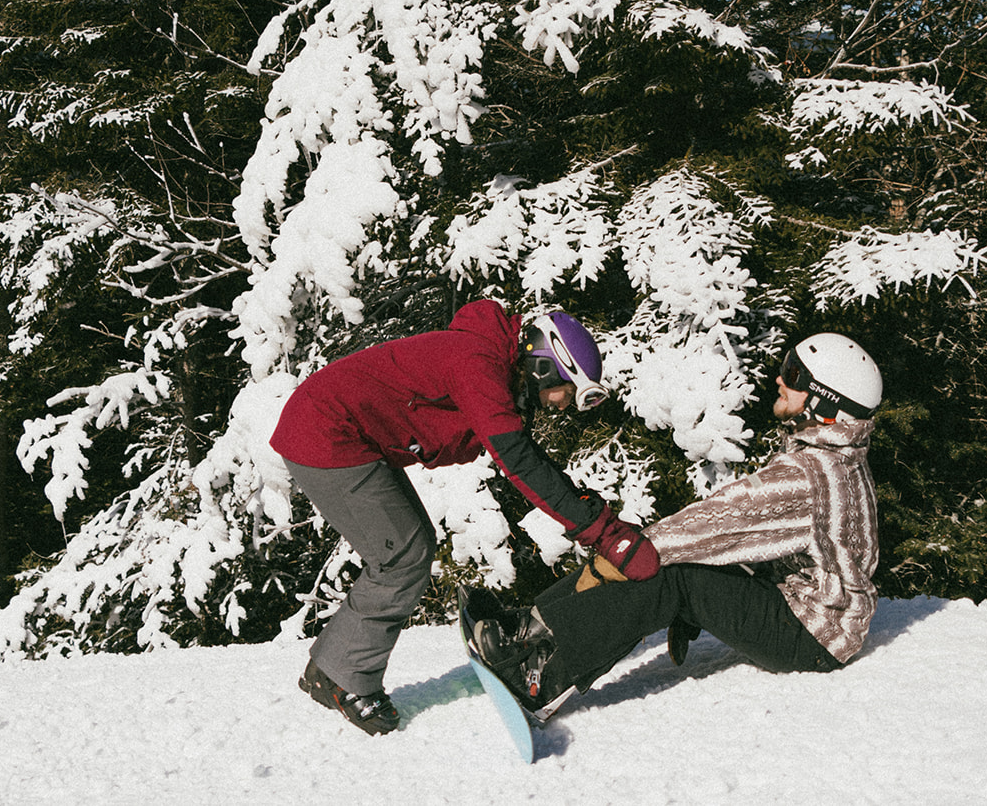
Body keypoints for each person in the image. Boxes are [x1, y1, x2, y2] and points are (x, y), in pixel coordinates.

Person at [273, 298, 659, 735]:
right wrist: (604, 534)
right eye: (565, 392)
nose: (560, 406)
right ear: (545, 366)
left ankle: (333, 668)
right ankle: (341, 678)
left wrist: (588, 512)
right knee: (402, 554)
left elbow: (527, 458)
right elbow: (519, 461)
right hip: (325, 431)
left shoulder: (490, 365)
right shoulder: (478, 366)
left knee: (410, 546)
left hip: (339, 430)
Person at [468, 332, 883, 718]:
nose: (780, 378)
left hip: (812, 635)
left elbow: (721, 518)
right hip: (803, 611)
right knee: (644, 555)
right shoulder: (833, 460)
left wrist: (628, 551)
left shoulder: (811, 474)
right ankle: (527, 626)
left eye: (794, 375)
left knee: (656, 566)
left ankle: (539, 678)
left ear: (826, 401)